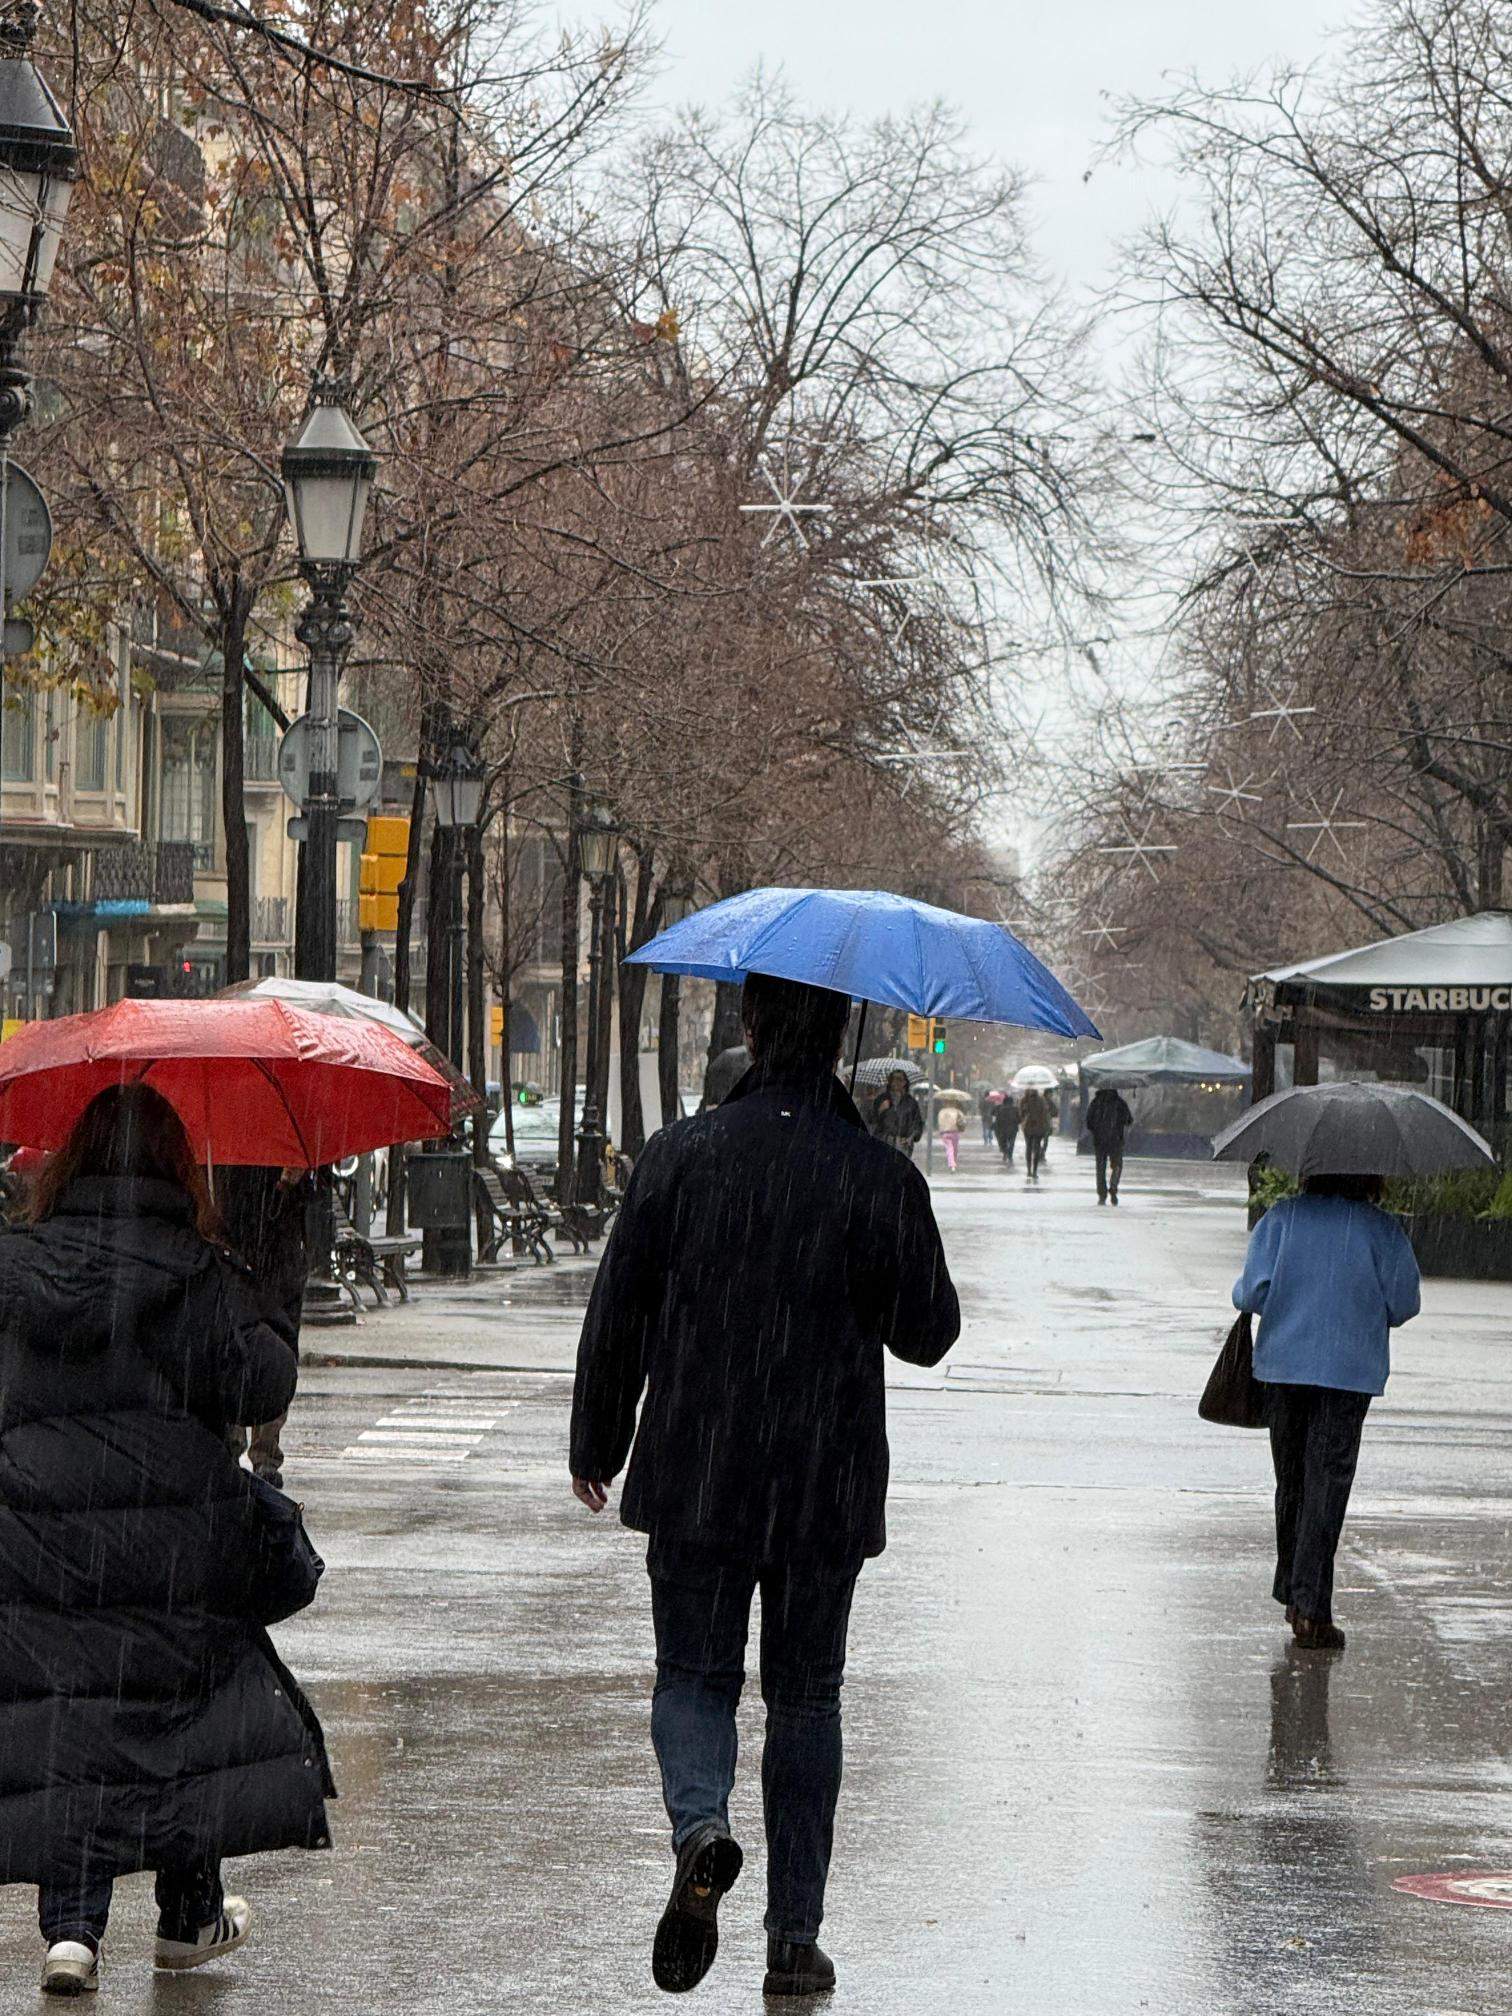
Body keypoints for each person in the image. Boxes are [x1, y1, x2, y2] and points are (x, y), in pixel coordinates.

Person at [570, 973, 960, 2000]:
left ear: (748, 1026)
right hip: (824, 1481)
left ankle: (702, 1826)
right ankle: (793, 1941)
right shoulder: (876, 1177)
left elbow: (619, 1311)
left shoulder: (682, 1156)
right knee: (807, 1700)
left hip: (697, 1467)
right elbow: (930, 1332)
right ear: (840, 1038)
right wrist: (878, 1215)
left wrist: (598, 1440)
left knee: (694, 1676)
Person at [0, 1084, 333, 1996]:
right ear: (176, 1167)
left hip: (40, 1535)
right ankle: (188, 1914)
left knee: (72, 1709)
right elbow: (262, 1387)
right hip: (173, 1537)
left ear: (70, 1164)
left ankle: (72, 1931)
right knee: (189, 1705)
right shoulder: (195, 1273)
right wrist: (266, 1271)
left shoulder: (21, 1270)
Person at [1233, 1171, 1421, 1651]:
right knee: (1326, 1485)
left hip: (1283, 1368)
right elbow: (1404, 1303)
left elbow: (1250, 1295)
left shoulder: (1282, 1219)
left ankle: (1295, 1592)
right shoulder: (1381, 1229)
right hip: (1349, 1373)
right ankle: (1311, 1608)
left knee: (1292, 1482)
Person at [218, 1163, 313, 1488]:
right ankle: (232, 1446)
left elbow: (315, 1194)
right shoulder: (225, 1155)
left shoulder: (285, 1149)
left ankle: (265, 1454)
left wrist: (297, 1180)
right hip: (237, 1253)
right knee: (230, 1349)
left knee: (276, 1352)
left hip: (277, 1262)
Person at [1085, 1087, 1134, 1206]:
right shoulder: (1120, 1103)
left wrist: (1097, 1130)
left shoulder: (1095, 1103)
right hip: (1116, 1141)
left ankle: (1102, 1195)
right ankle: (1113, 1187)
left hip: (1099, 1141)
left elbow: (1088, 1123)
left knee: (1100, 1168)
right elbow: (1129, 1120)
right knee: (1117, 1165)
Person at [868, 1070, 924, 1160]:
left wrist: (910, 1138)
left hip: (903, 1146)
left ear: (905, 1082)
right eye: (893, 1079)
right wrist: (880, 1110)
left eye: (899, 1079)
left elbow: (917, 1124)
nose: (895, 1082)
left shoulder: (911, 1103)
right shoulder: (882, 1099)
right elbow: (871, 1121)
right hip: (883, 1142)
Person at [1018, 1086, 1051, 1181]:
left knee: (1030, 1147)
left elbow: (1021, 1114)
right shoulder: (1041, 1100)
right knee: (1034, 1148)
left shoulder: (1024, 1100)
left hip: (1029, 1127)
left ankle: (1030, 1170)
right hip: (1037, 1127)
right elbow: (1045, 1114)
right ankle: (1033, 1171)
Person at [935, 1091, 967, 1172]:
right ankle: (953, 1164)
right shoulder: (957, 1111)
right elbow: (963, 1121)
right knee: (954, 1149)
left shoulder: (941, 1112)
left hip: (944, 1133)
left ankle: (952, 1164)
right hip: (955, 1132)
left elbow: (939, 1122)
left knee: (949, 1148)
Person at [992, 1094, 1019, 1165]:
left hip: (1003, 1129)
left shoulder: (1000, 1109)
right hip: (1013, 1129)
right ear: (1012, 1102)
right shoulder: (1016, 1109)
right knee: (1012, 1142)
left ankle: (1005, 1152)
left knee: (1004, 1142)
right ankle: (1010, 1155)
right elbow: (1019, 1119)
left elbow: (997, 1120)